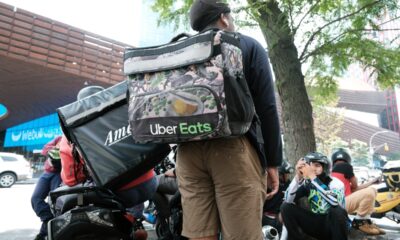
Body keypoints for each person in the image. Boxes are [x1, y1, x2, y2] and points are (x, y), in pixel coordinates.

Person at [177, 1, 283, 239]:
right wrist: (273, 162)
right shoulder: (247, 45)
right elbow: (266, 108)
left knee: (200, 235)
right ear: (224, 18)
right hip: (233, 149)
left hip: (187, 152)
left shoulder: (181, 51)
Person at [59, 85, 159, 239]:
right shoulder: (126, 113)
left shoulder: (73, 133)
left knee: (69, 194)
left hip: (117, 194)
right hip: (149, 184)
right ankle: (135, 220)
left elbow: (71, 179)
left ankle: (124, 226)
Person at [280, 152, 348, 240]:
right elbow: (288, 200)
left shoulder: (335, 183)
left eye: (317, 165)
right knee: (286, 207)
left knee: (337, 211)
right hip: (317, 224)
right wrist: (297, 177)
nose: (313, 169)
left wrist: (313, 177)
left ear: (325, 168)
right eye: (309, 165)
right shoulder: (307, 183)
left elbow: (334, 202)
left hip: (334, 226)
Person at [331, 148, 385, 235]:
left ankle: (366, 221)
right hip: (341, 204)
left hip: (338, 205)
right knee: (370, 192)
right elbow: (355, 186)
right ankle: (359, 222)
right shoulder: (346, 166)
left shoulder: (333, 171)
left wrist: (372, 182)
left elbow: (354, 189)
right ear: (348, 159)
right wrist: (355, 179)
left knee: (373, 190)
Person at [31, 136, 63, 240]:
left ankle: (44, 234)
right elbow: (45, 149)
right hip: (48, 172)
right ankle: (48, 220)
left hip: (60, 174)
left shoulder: (74, 138)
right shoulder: (59, 138)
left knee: (55, 203)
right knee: (35, 198)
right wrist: (54, 150)